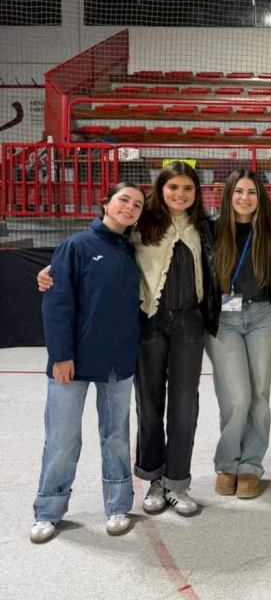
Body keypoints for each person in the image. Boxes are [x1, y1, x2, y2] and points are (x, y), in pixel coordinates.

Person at [31, 183, 145, 544]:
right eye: (123, 200)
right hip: (73, 364)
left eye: (137, 204)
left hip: (117, 363)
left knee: (115, 438)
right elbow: (57, 303)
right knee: (62, 439)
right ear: (105, 204)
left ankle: (117, 506)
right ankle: (49, 509)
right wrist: (60, 356)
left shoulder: (133, 250)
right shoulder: (77, 246)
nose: (130, 207)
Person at [131, 161, 221, 516]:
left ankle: (177, 483)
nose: (180, 195)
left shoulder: (204, 228)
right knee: (149, 404)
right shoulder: (142, 224)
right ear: (160, 189)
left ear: (196, 193)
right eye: (173, 188)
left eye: (187, 188)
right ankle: (152, 477)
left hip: (189, 324)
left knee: (185, 406)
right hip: (149, 322)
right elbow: (102, 241)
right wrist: (55, 268)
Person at [206, 170, 271, 500]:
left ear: (260, 196)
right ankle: (227, 461)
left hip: (262, 317)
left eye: (251, 192)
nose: (244, 198)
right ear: (228, 195)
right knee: (236, 396)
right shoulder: (209, 230)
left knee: (259, 394)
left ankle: (251, 464)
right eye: (238, 191)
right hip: (223, 319)